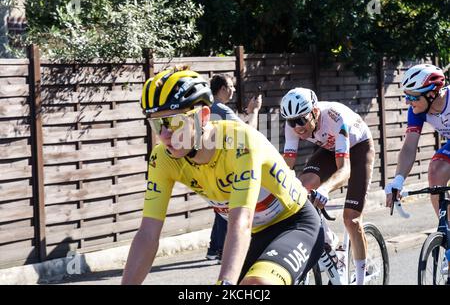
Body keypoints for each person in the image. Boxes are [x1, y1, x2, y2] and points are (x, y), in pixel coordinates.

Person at [121, 67, 323, 285]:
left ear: (203, 116)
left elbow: (240, 222)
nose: (164, 135)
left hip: (295, 223)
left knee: (256, 286)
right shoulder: (163, 157)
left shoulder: (239, 142)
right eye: (157, 124)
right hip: (257, 233)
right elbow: (148, 234)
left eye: (173, 121)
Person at [280, 87, 375, 285]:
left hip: (358, 149)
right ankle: (331, 245)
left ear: (315, 112)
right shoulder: (292, 126)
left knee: (351, 220)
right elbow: (286, 166)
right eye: (291, 121)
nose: (297, 127)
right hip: (328, 149)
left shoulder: (335, 117)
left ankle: (361, 276)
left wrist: (324, 189)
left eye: (301, 120)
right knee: (301, 189)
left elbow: (345, 169)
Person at [383, 64, 449, 284]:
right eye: (406, 97)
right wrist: (398, 180)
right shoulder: (418, 111)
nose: (408, 103)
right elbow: (410, 146)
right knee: (436, 170)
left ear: (432, 93)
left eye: (412, 97)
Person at [206, 73, 262, 261]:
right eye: (231, 86)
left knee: (221, 206)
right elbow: (249, 133)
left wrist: (246, 113)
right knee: (232, 207)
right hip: (228, 166)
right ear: (222, 89)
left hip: (210, 166)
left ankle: (214, 248)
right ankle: (224, 251)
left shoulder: (207, 108)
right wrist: (254, 111)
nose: (234, 90)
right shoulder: (221, 109)